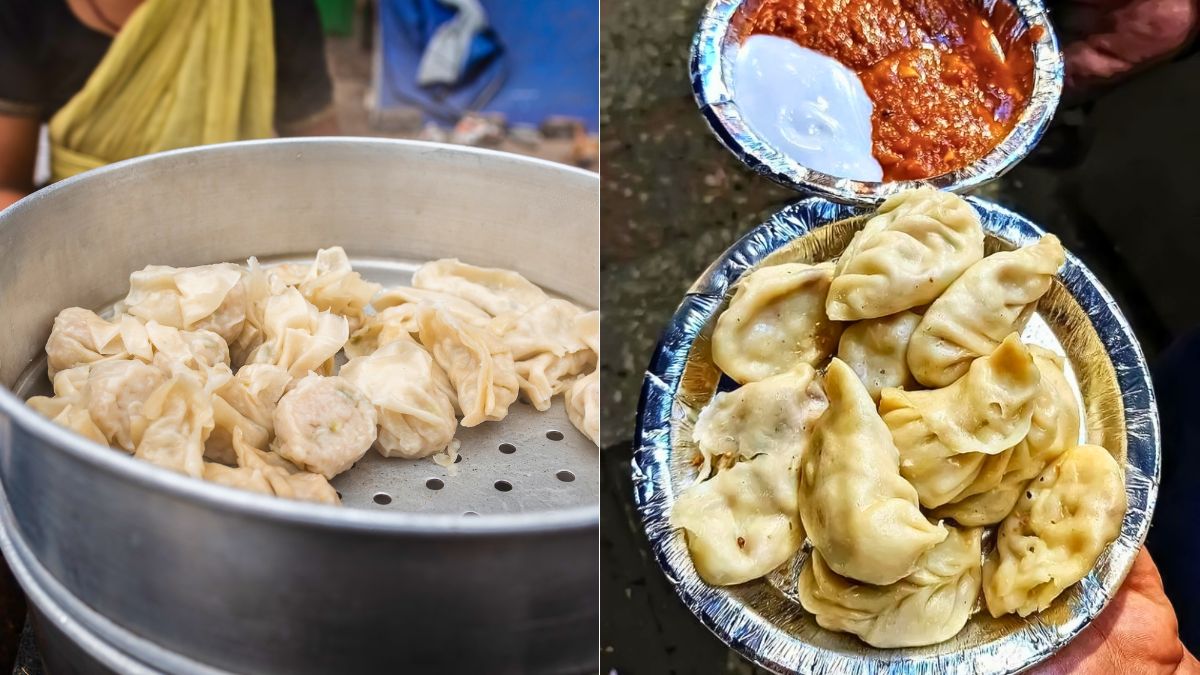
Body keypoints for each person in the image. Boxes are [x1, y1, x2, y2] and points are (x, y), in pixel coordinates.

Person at [0, 0, 338, 210]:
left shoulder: (267, 7)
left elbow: (326, 167)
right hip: (74, 235)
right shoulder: (25, 9)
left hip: (237, 237)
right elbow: (7, 188)